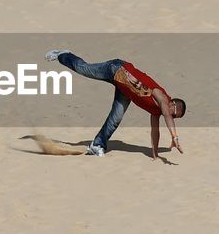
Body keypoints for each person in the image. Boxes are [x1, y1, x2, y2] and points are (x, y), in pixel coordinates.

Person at [45, 49, 186, 159]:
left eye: (175, 117)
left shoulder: (156, 111)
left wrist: (155, 153)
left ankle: (97, 145)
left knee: (116, 118)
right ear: (172, 103)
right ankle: (63, 54)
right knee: (84, 69)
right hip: (117, 69)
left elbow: (155, 131)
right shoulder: (161, 96)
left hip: (125, 91)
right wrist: (175, 136)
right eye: (174, 112)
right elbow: (167, 114)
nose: (172, 116)